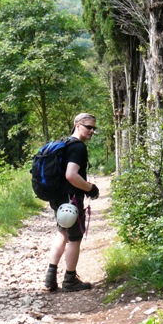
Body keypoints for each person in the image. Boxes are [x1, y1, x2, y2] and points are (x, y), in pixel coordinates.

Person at [44, 113, 100, 292]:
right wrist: (90, 188)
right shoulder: (78, 147)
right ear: (77, 125)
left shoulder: (65, 144)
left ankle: (49, 279)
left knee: (62, 234)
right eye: (88, 127)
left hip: (59, 199)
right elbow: (71, 175)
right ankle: (70, 280)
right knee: (75, 238)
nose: (92, 131)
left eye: (94, 128)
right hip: (71, 200)